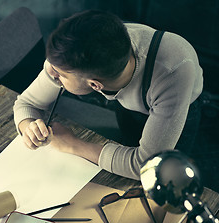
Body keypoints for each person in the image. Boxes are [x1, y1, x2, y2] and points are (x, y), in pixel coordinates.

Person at [13, 10, 203, 180]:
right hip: (129, 102)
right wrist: (28, 125)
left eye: (60, 75)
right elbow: (26, 103)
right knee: (126, 141)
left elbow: (147, 166)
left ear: (95, 85)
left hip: (179, 105)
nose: (52, 74)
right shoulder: (72, 56)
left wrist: (73, 145)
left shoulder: (173, 72)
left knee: (170, 176)